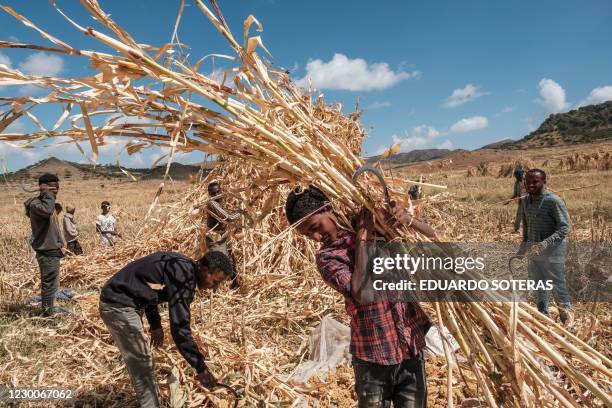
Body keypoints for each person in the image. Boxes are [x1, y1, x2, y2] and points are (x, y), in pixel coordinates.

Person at [285, 186, 435, 408]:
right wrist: (363, 237)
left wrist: (407, 219)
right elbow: (362, 294)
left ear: (327, 208)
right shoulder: (328, 257)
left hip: (409, 346)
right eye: (308, 234)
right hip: (373, 357)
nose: (316, 237)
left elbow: (433, 237)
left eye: (316, 227)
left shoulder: (375, 223)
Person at [99, 251, 233, 408]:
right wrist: (200, 367)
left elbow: (150, 287)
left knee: (144, 360)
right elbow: (180, 329)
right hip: (118, 304)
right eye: (215, 282)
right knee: (142, 362)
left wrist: (155, 324)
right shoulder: (182, 277)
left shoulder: (182, 267)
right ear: (206, 270)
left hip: (125, 301)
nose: (214, 288)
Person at [518, 169, 574, 327]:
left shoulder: (553, 201)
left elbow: (564, 228)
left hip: (553, 251)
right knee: (538, 284)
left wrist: (544, 244)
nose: (530, 185)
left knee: (557, 285)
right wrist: (523, 249)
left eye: (535, 181)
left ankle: (568, 323)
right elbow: (527, 227)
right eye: (527, 181)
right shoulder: (525, 201)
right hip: (534, 251)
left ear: (544, 182)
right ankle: (543, 318)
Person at [24, 173, 63, 316]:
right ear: (45, 188)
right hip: (46, 251)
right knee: (49, 285)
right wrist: (47, 193)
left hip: (52, 250)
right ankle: (47, 315)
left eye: (57, 188)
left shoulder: (45, 203)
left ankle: (49, 310)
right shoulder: (36, 205)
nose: (56, 191)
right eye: (54, 188)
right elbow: (47, 211)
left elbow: (53, 209)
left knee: (52, 285)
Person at [206, 181, 241, 289]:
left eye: (218, 191)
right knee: (220, 262)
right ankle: (212, 288)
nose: (216, 195)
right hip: (215, 237)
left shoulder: (222, 200)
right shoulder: (212, 203)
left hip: (223, 235)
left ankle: (234, 284)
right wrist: (241, 211)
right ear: (209, 194)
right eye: (213, 193)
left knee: (231, 259)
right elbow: (228, 217)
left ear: (221, 190)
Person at [511, 167, 526, 233]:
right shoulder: (516, 183)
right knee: (519, 215)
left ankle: (521, 229)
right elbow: (515, 194)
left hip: (529, 201)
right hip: (521, 201)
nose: (523, 175)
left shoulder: (527, 181)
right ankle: (517, 229)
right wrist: (509, 200)